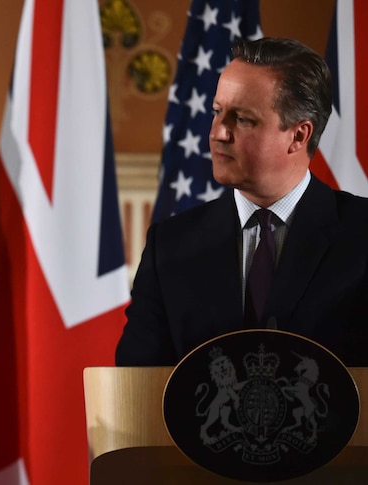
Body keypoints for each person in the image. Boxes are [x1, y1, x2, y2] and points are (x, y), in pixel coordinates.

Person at [116, 37, 368, 367]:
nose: (219, 132)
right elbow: (136, 381)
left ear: (298, 136)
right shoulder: (170, 245)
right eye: (218, 112)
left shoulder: (361, 235)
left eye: (243, 119)